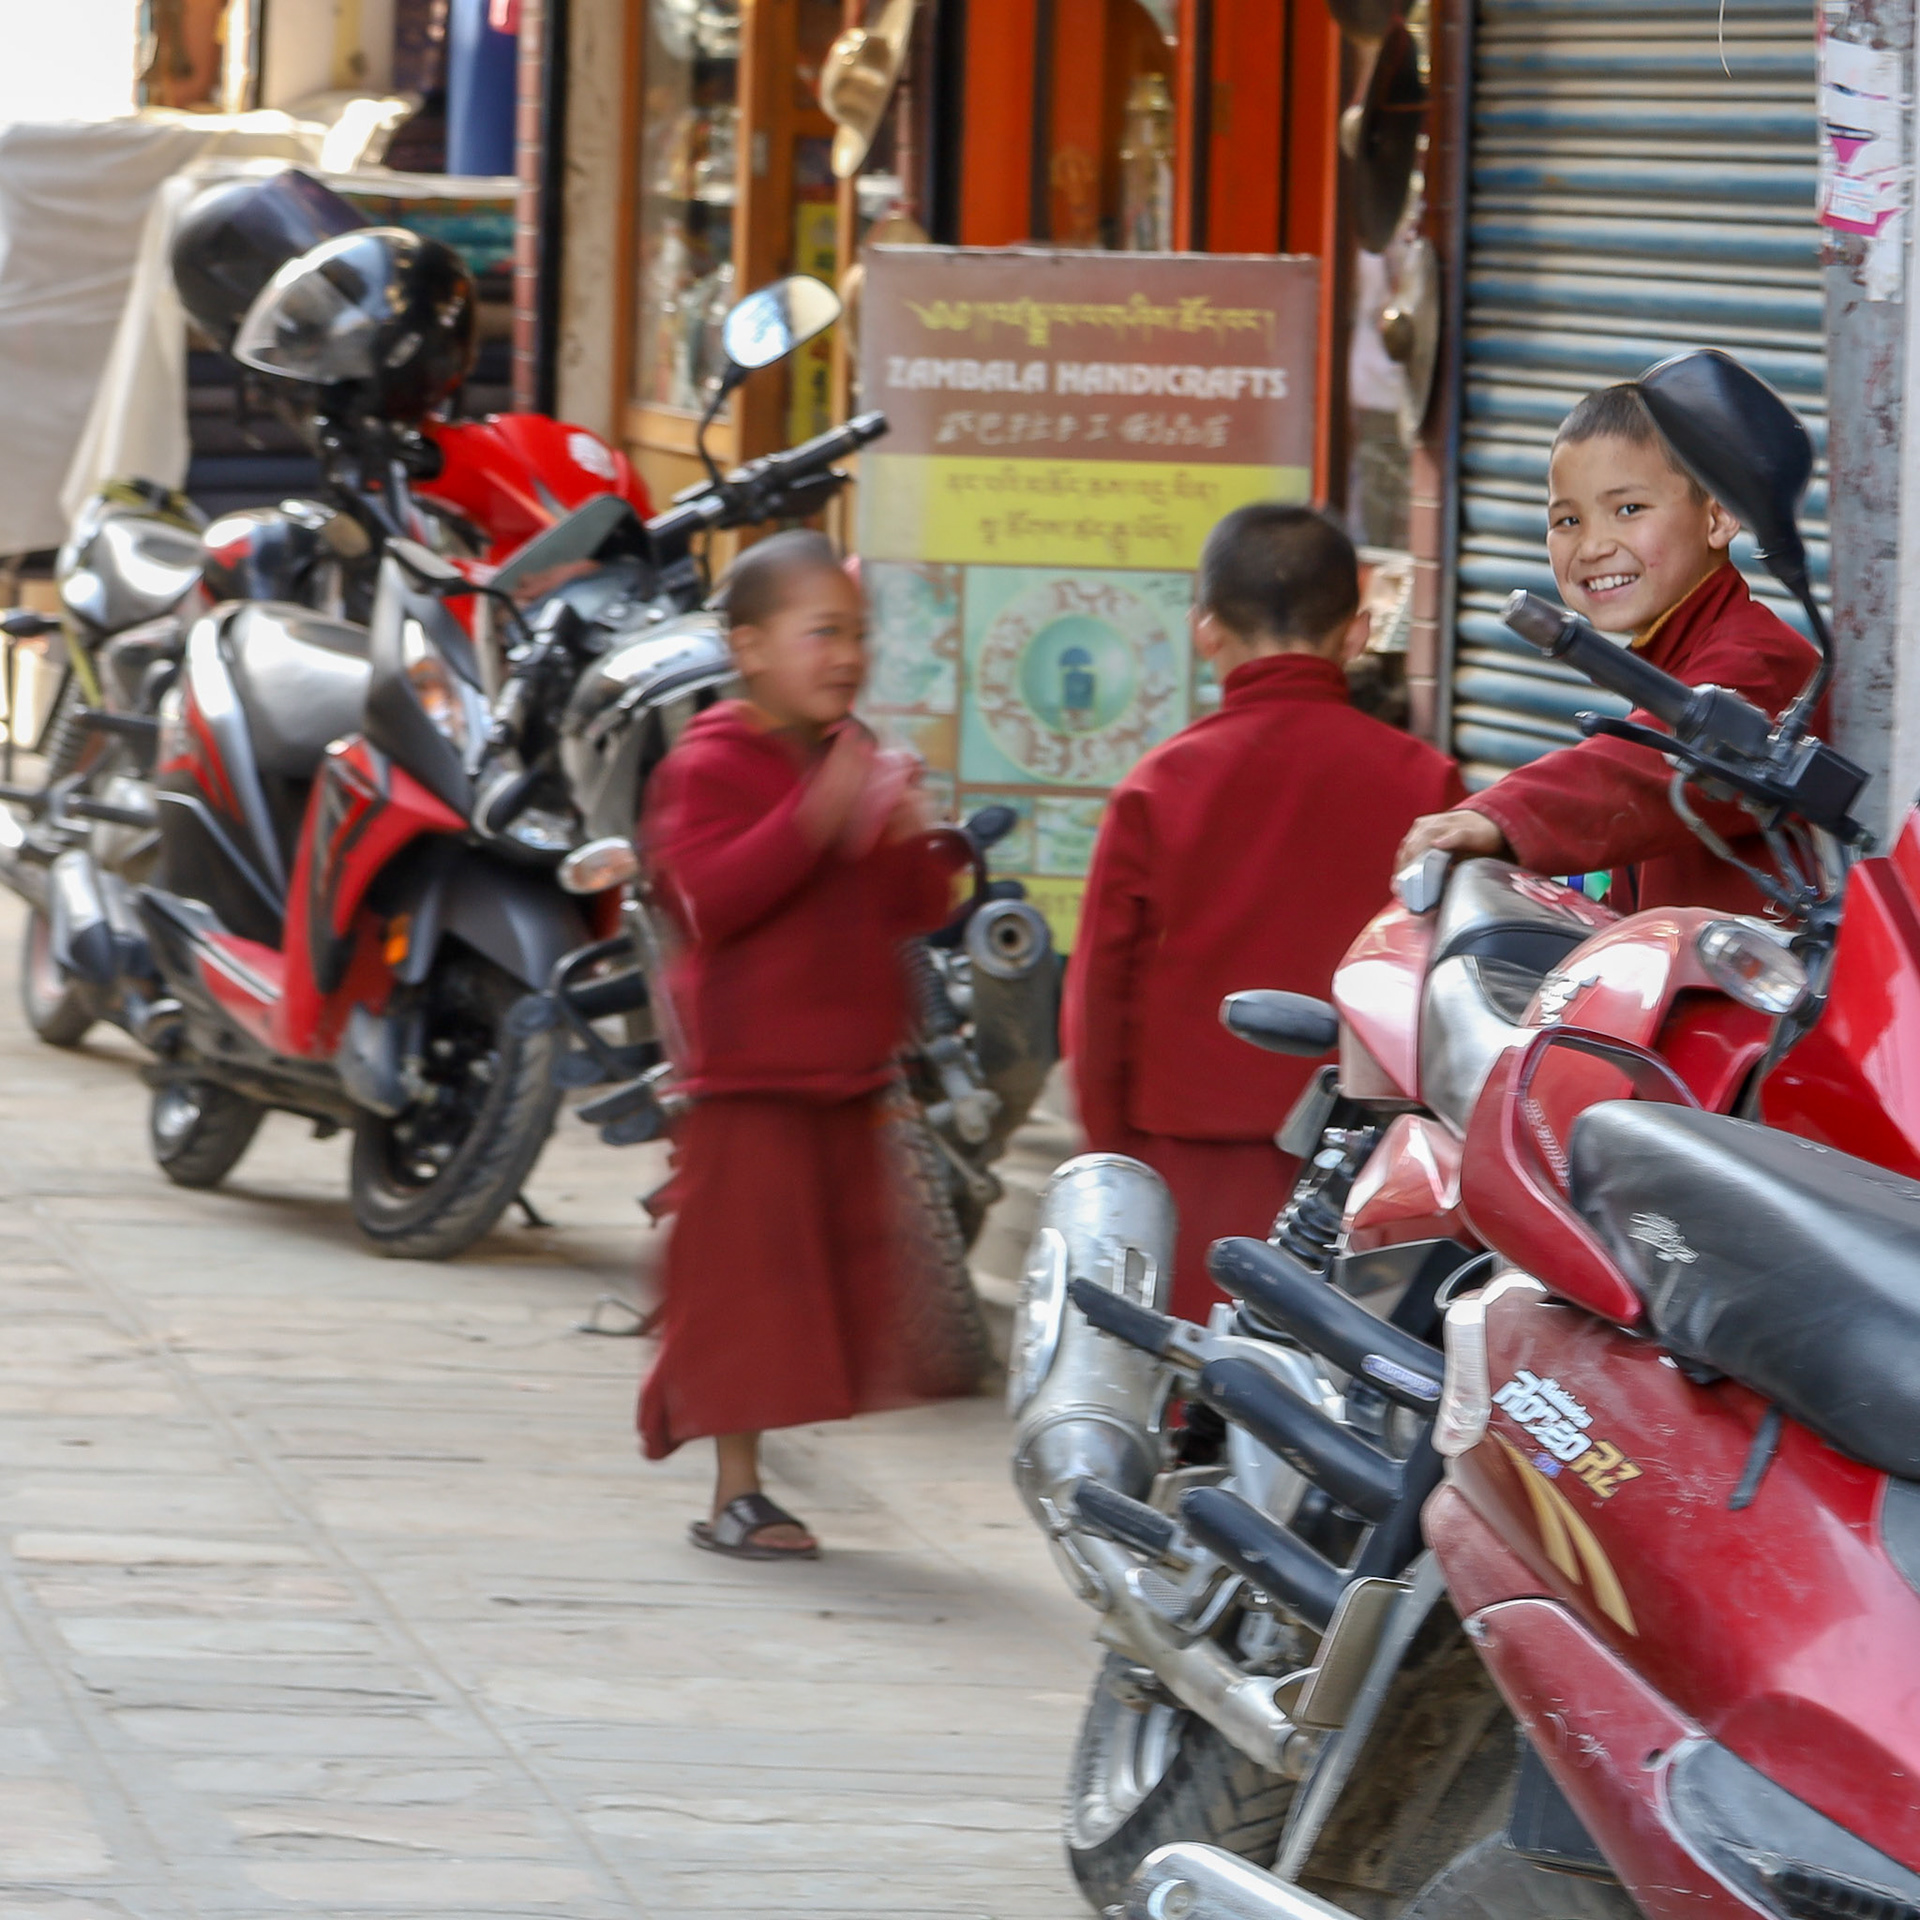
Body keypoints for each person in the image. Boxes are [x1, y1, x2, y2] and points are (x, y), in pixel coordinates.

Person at [637, 530, 968, 1560]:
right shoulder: (710, 761)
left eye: (858, 634)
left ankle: (758, 1475)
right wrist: (823, 811)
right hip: (747, 1076)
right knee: (744, 1295)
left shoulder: (847, 759)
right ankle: (737, 1489)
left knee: (816, 1287)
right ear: (748, 648)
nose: (846, 656)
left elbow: (913, 906)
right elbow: (711, 896)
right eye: (821, 632)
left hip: (845, 1072)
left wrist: (910, 829)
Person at [1065, 504, 1465, 1321]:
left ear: (1205, 631)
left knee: (1195, 1405)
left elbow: (1098, 1001)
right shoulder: (1428, 787)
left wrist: (1111, 1160)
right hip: (1372, 1164)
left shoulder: (1156, 788)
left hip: (1183, 1163)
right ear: (1355, 634)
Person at [1396, 382, 1821, 912]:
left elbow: (1653, 763)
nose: (1593, 547)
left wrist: (1498, 816)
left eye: (1629, 509)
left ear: (1717, 518)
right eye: (1567, 521)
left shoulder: (1762, 663)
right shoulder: (1673, 661)